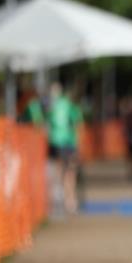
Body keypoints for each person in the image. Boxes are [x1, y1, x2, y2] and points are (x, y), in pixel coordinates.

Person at [47, 81, 83, 215]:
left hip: (57, 143)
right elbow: (77, 124)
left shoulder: (52, 106)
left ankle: (62, 200)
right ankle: (70, 201)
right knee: (69, 173)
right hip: (68, 144)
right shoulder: (68, 105)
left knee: (60, 172)